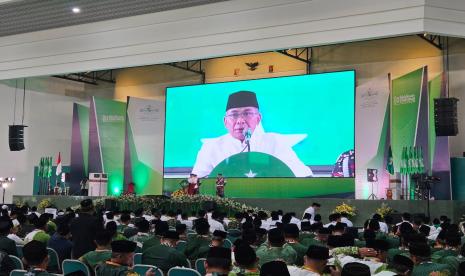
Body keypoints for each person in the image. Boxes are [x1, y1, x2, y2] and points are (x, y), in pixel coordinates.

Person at [192, 91, 313, 178]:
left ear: (258, 118)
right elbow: (196, 180)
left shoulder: (274, 142)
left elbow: (303, 175)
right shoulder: (211, 147)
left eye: (247, 113)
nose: (240, 120)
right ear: (225, 121)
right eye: (234, 115)